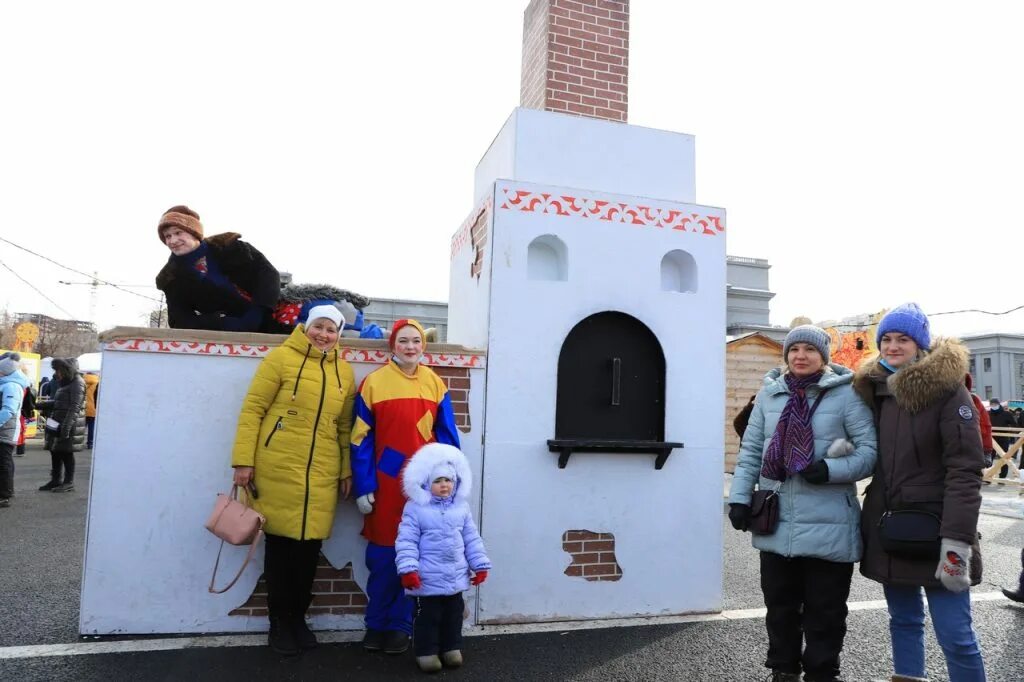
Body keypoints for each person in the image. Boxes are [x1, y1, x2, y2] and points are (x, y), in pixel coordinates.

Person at [728, 325, 877, 682]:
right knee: (779, 607)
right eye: (794, 349)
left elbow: (870, 453)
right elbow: (750, 452)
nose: (800, 356)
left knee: (825, 610)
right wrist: (738, 498)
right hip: (777, 519)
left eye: (809, 349)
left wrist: (829, 469)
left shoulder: (847, 395)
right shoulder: (770, 395)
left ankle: (822, 672)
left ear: (823, 356)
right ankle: (783, 669)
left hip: (830, 522)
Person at [853, 303, 986, 682]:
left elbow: (965, 470)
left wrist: (957, 540)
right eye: (887, 339)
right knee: (904, 621)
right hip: (892, 527)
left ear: (921, 344)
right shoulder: (873, 390)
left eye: (904, 339)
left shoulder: (948, 391)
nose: (893, 347)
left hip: (938, 532)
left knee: (956, 636)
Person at [230, 304, 355, 656]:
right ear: (305, 326)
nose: (324, 335)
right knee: (281, 549)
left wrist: (345, 468)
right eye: (319, 326)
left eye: (332, 329)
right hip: (276, 466)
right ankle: (279, 624)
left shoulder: (344, 371)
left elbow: (344, 426)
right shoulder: (280, 359)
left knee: (309, 550)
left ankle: (298, 620)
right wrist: (243, 460)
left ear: (339, 335)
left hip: (322, 471)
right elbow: (253, 408)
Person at [351, 318, 461, 655]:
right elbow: (359, 439)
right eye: (403, 341)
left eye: (415, 340)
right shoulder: (373, 383)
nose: (410, 346)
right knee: (384, 558)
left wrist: (450, 483)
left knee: (414, 558)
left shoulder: (435, 384)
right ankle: (376, 625)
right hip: (386, 485)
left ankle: (400, 627)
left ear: (422, 345)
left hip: (425, 489)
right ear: (393, 345)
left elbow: (448, 438)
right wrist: (364, 484)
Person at [396, 443, 491, 673]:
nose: (444, 485)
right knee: (429, 618)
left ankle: (451, 648)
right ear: (428, 484)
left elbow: (471, 538)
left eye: (448, 480)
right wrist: (408, 569)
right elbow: (406, 541)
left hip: (455, 575)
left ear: (455, 482)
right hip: (426, 579)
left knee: (453, 615)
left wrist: (479, 565)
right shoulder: (416, 508)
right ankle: (426, 652)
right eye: (438, 481)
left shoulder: (461, 508)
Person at [155, 205, 284, 333]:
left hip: (272, 313)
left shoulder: (232, 247)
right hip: (227, 334)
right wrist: (220, 322)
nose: (173, 240)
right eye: (167, 236)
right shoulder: (171, 278)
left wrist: (257, 314)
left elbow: (269, 274)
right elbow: (179, 319)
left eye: (178, 233)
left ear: (194, 233)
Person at [36, 358, 86, 492]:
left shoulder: (77, 383)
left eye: (59, 370)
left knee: (66, 453)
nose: (57, 373)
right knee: (56, 452)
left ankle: (68, 482)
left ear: (67, 369)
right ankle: (55, 480)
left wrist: (66, 427)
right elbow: (57, 403)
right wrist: (37, 405)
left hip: (68, 423)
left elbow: (75, 406)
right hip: (58, 422)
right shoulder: (66, 383)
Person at [0, 353, 30, 508]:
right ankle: (5, 492)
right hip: (6, 428)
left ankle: (5, 495)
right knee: (4, 461)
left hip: (6, 430)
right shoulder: (7, 383)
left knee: (4, 462)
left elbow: (9, 410)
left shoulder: (11, 385)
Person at [987, 397, 1016, 478]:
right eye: (992, 404)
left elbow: (1014, 424)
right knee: (989, 457)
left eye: (995, 404)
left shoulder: (1006, 414)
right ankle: (988, 475)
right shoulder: (988, 413)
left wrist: (1010, 432)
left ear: (998, 404)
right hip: (991, 439)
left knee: (1004, 457)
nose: (993, 405)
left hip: (1003, 439)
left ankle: (1003, 476)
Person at [83, 371, 99, 449]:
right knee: (91, 427)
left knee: (81, 427)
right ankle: (90, 443)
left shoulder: (82, 382)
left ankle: (78, 442)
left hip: (83, 408)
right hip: (93, 408)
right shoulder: (97, 383)